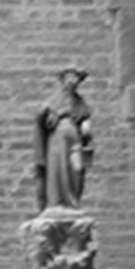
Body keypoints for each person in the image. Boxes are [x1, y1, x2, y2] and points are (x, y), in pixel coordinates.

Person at [36, 67, 94, 212]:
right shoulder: (54, 100)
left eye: (75, 78)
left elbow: (85, 119)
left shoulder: (80, 102)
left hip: (75, 139)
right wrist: (47, 116)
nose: (72, 81)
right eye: (69, 78)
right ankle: (56, 203)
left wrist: (86, 130)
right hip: (58, 138)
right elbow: (43, 118)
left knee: (77, 168)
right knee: (57, 167)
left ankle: (73, 201)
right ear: (63, 81)